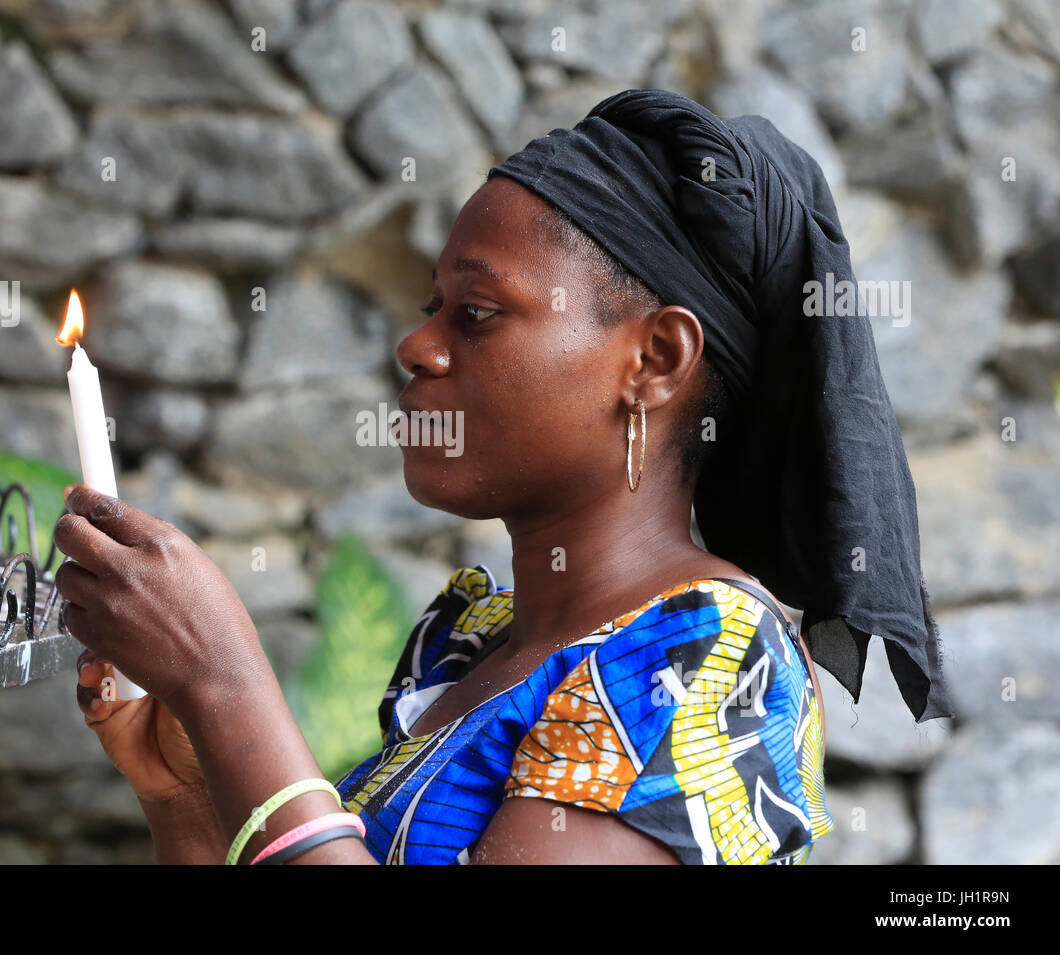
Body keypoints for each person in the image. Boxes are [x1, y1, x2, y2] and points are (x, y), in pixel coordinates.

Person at [53, 89, 951, 865]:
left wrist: (227, 685)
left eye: (477, 313)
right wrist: (185, 794)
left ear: (656, 359)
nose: (416, 345)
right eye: (431, 307)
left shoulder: (705, 659)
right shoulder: (471, 643)